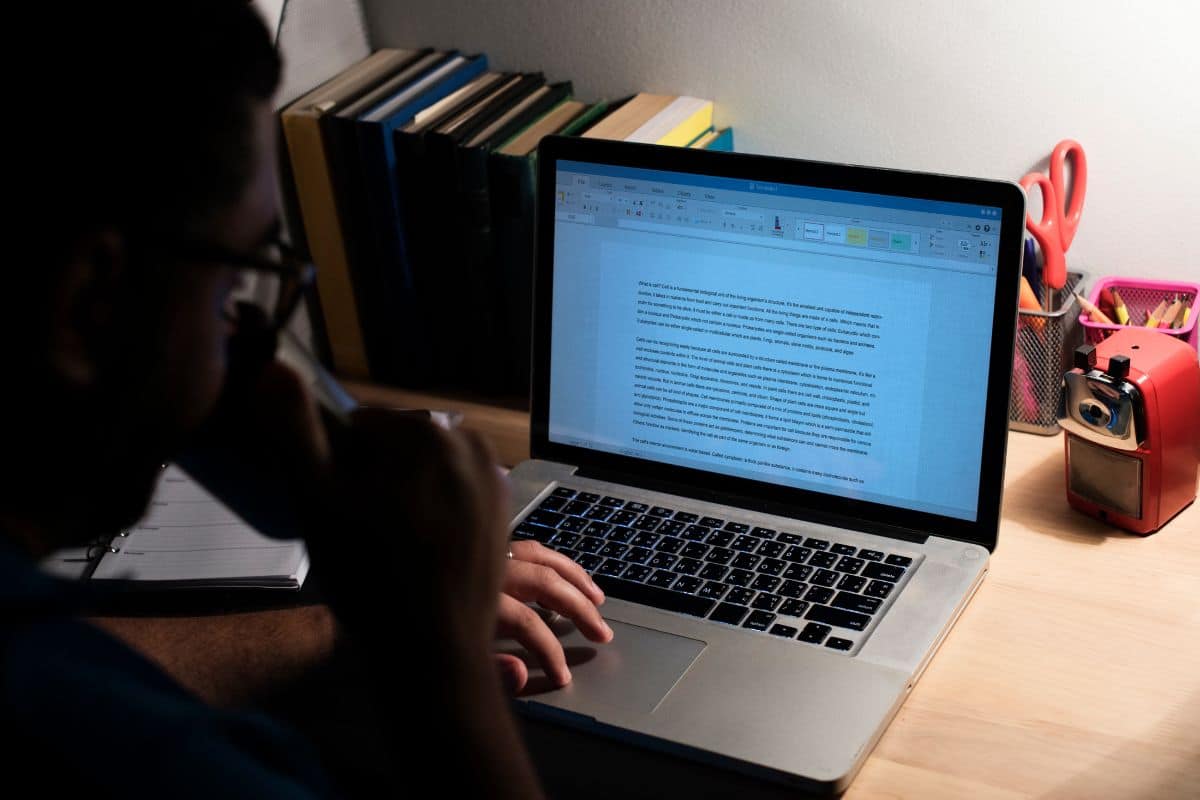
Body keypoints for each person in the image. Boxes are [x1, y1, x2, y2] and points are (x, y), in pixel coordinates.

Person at [1, 2, 610, 795]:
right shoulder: (153, 761)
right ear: (92, 304)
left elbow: (70, 655)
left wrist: (367, 621)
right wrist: (443, 668)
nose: (260, 358)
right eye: (232, 286)